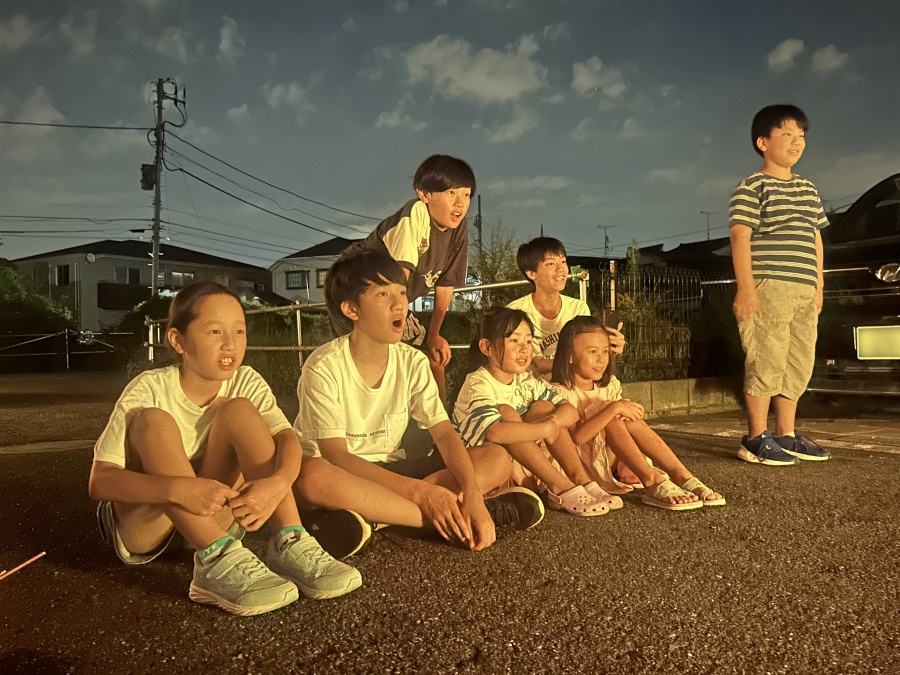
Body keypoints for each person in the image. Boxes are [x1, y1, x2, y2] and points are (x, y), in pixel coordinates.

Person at [88, 282, 361, 617]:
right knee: (152, 422)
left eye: (239, 331)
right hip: (148, 525)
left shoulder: (245, 380)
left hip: (215, 513)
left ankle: (291, 540)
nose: (230, 343)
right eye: (215, 331)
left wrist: (278, 484)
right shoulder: (150, 389)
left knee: (240, 411)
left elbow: (287, 440)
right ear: (177, 340)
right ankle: (215, 558)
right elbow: (100, 482)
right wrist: (178, 489)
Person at [293, 250, 544, 559]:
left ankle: (376, 519)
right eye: (383, 294)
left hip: (392, 469)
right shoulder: (324, 366)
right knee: (311, 477)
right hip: (342, 472)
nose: (400, 304)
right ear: (351, 309)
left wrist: (472, 493)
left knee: (496, 458)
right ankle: (453, 518)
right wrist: (423, 493)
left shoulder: (412, 361)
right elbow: (337, 456)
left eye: (402, 292)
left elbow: (444, 434)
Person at [729, 104, 831, 465]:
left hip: (804, 289)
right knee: (766, 358)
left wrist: (819, 285)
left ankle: (786, 435)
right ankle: (755, 438)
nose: (796, 141)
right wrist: (746, 288)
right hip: (769, 285)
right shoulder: (752, 186)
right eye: (786, 134)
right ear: (763, 142)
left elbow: (816, 238)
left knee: (799, 361)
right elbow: (740, 236)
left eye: (801, 135)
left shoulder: (808, 188)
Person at [452, 306, 615, 516]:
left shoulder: (526, 381)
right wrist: (545, 429)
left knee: (544, 407)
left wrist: (552, 423)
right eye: (514, 340)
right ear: (487, 347)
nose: (524, 349)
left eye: (528, 341)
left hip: (519, 460)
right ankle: (560, 486)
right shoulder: (477, 384)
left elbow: (570, 411)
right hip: (482, 462)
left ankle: (582, 480)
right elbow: (496, 433)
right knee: (507, 413)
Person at [551, 316, 724, 510]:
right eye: (592, 352)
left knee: (622, 417)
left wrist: (625, 410)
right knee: (614, 414)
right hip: (580, 465)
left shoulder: (609, 386)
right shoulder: (560, 392)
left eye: (605, 351)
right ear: (570, 356)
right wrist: (614, 408)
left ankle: (682, 475)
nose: (601, 359)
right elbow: (577, 438)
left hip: (607, 457)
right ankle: (651, 479)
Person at [342, 154, 475, 401]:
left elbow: (446, 284)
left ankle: (441, 421)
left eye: (466, 195)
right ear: (424, 194)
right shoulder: (415, 214)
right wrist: (391, 332)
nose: (460, 203)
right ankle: (359, 418)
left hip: (392, 297)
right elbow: (397, 281)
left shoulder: (459, 228)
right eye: (451, 193)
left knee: (432, 356)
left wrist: (434, 335)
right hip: (354, 292)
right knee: (374, 362)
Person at [506, 236, 625, 379]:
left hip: (571, 384)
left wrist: (606, 348)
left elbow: (588, 352)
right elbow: (539, 364)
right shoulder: (516, 312)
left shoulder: (578, 308)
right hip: (532, 387)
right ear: (531, 273)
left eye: (563, 261)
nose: (561, 269)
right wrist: (581, 361)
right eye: (550, 264)